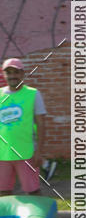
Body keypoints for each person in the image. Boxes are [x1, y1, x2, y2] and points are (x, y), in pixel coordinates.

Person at [0, 58, 46, 196]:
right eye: (9, 72)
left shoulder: (33, 94)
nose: (13, 76)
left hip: (26, 153)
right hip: (2, 154)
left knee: (33, 191)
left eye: (16, 72)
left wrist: (39, 152)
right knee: (3, 192)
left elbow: (41, 124)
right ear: (4, 74)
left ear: (23, 74)